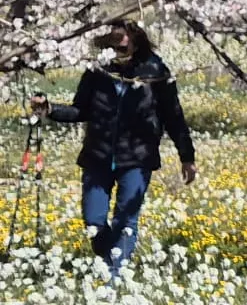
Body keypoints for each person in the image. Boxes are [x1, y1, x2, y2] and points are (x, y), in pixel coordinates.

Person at [31, 20, 195, 278]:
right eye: (116, 34)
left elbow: (174, 116)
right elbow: (81, 109)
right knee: (93, 222)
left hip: (137, 157)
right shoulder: (98, 70)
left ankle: (114, 278)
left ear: (136, 35)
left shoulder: (155, 70)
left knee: (125, 220)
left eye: (126, 33)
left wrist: (187, 156)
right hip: (98, 154)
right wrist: (51, 110)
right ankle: (111, 256)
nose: (121, 40)